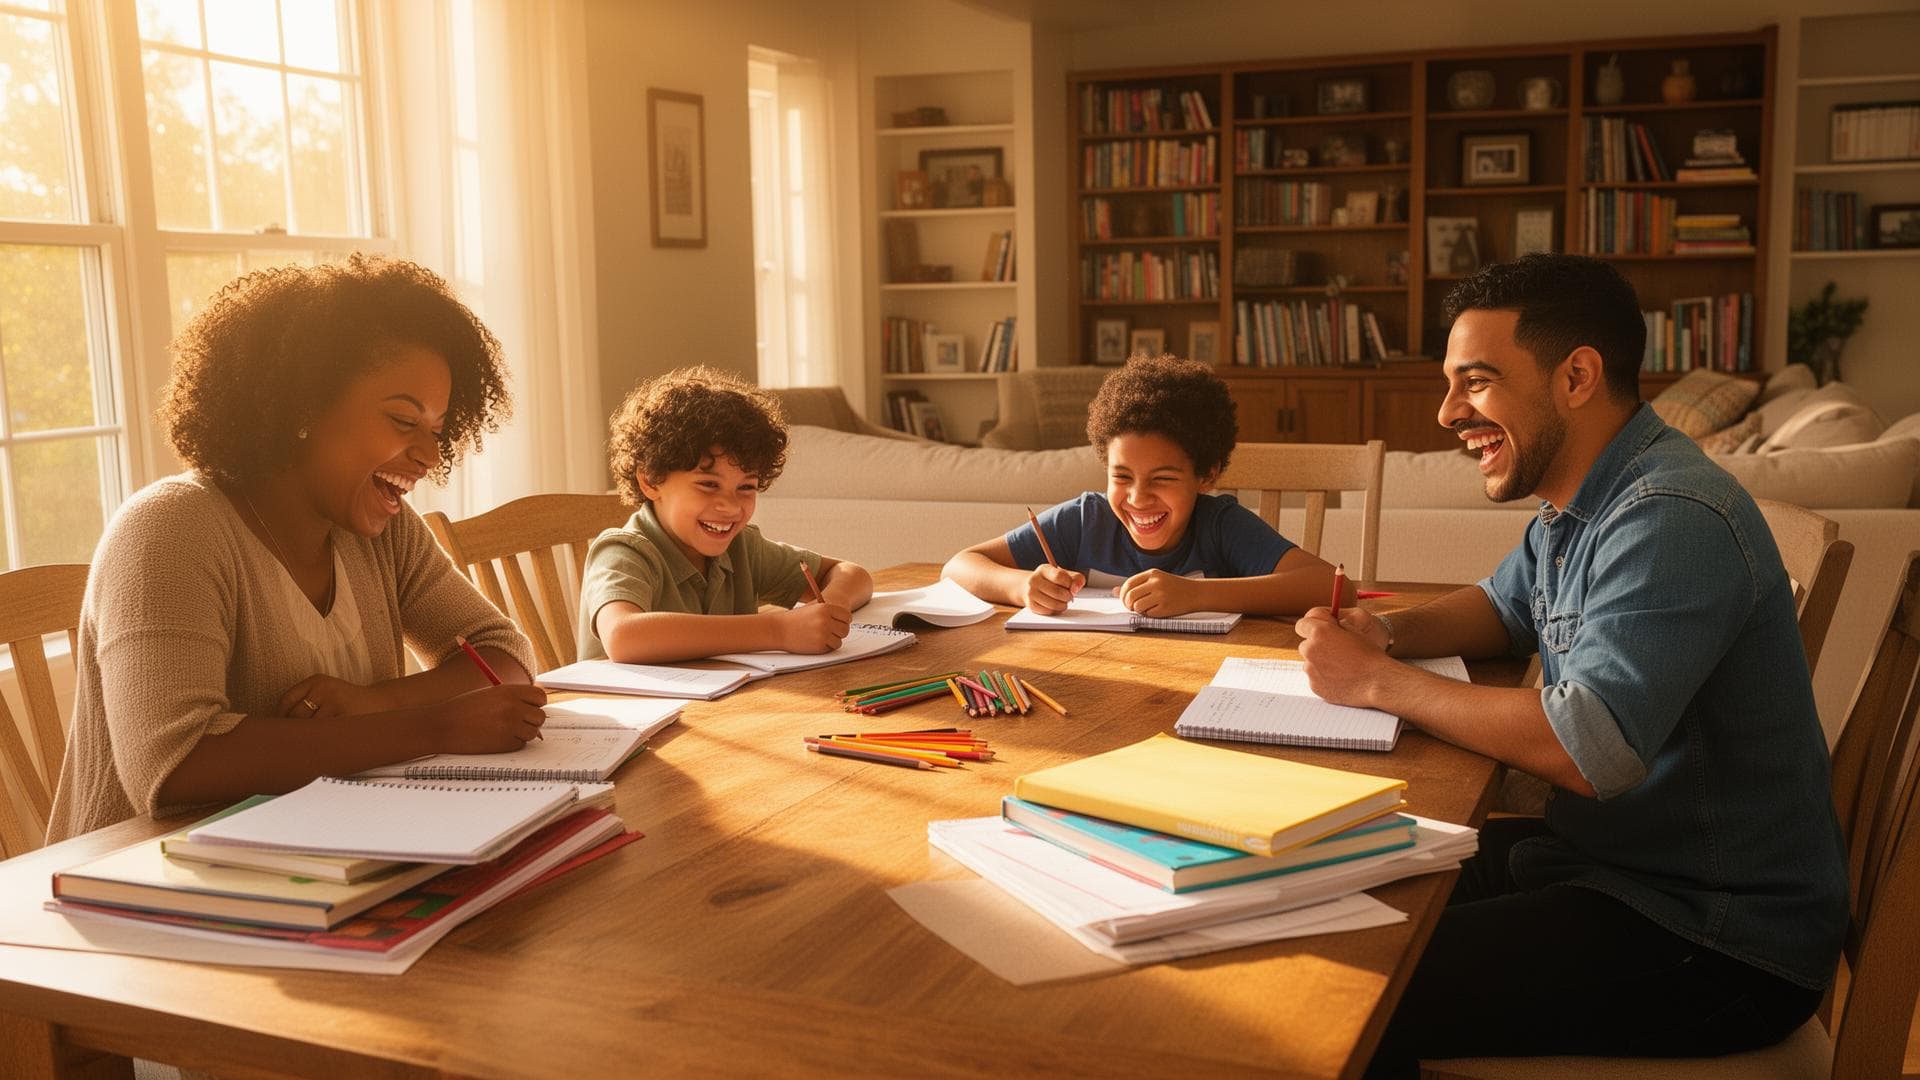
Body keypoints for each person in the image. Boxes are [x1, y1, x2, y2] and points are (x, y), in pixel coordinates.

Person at [1291, 255, 1847, 1074]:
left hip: (1711, 935)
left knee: (1340, 983)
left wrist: (1376, 682)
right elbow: (1503, 606)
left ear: (1577, 375)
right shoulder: (1583, 498)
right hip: (1609, 865)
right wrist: (1384, 635)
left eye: (1474, 382)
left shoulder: (1670, 516)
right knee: (1312, 900)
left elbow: (1591, 747)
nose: (1447, 413)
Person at [48, 256, 546, 843]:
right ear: (304, 406)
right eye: (401, 420)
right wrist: (433, 727)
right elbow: (177, 763)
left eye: (435, 430)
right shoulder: (168, 531)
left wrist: (373, 704)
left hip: (321, 857)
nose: (429, 456)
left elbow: (500, 654)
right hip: (134, 891)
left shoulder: (383, 530)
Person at [943, 353, 1345, 616]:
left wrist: (1198, 596)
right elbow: (958, 566)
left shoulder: (1220, 524)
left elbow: (1335, 589)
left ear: (1206, 475)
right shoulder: (1085, 519)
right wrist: (1021, 587)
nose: (1137, 498)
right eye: (1121, 477)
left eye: (1163, 479)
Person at [578, 367, 873, 664]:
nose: (731, 507)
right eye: (708, 485)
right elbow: (623, 637)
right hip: (635, 709)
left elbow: (852, 574)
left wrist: (831, 609)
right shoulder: (624, 552)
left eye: (746, 487)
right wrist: (777, 630)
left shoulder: (742, 548)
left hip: (722, 707)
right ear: (651, 481)